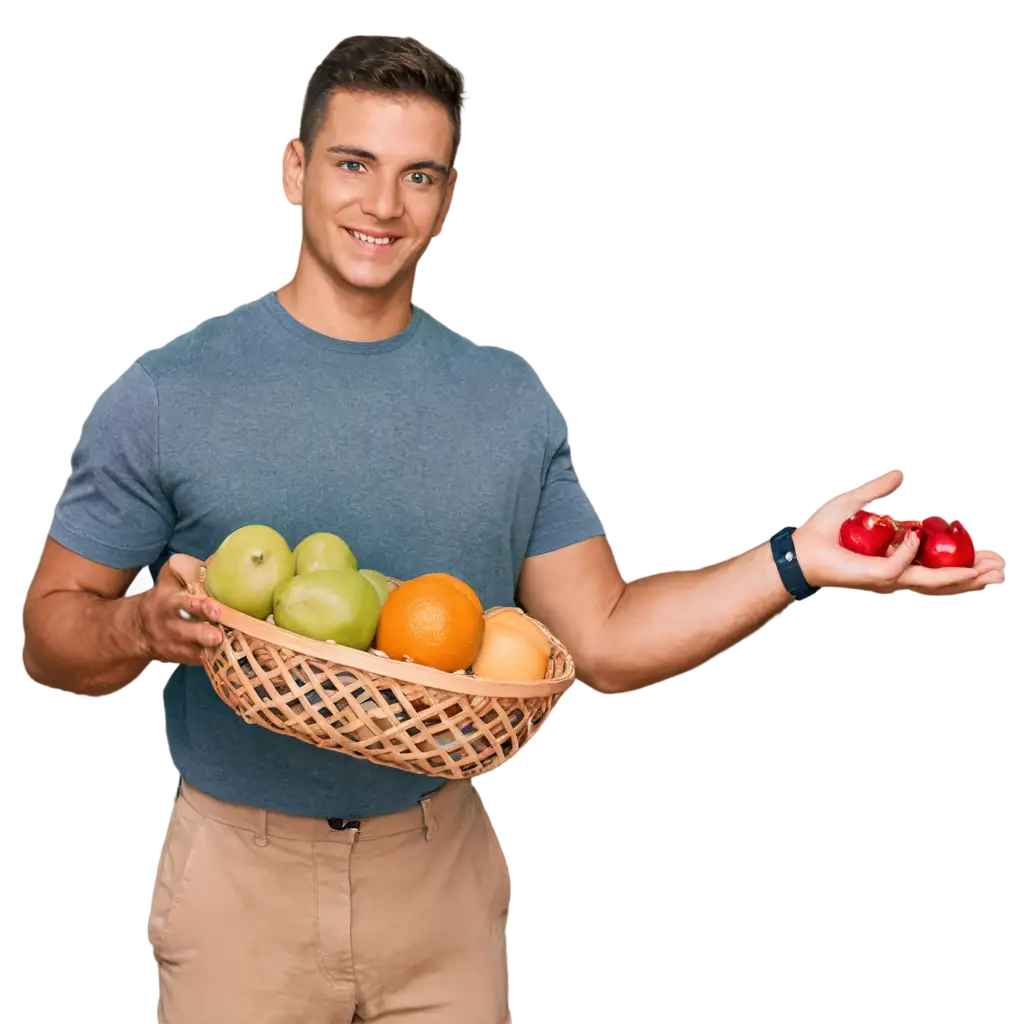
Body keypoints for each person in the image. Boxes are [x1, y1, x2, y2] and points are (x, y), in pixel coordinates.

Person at [15, 31, 1005, 1024]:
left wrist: (796, 559)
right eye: (354, 164)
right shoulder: (164, 392)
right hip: (237, 879)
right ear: (294, 170)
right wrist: (141, 627)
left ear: (446, 196)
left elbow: (607, 638)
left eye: (420, 176)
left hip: (438, 876)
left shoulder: (505, 400)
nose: (383, 205)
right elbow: (49, 632)